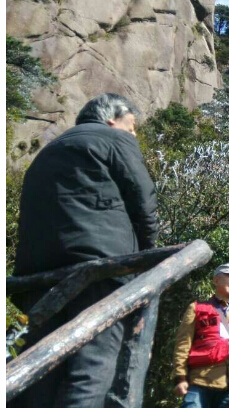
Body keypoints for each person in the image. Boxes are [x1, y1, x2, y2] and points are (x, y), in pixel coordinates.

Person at [11, 93, 158, 407]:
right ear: (112, 121)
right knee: (94, 365)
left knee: (41, 372)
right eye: (131, 127)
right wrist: (147, 255)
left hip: (37, 274)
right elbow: (143, 198)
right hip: (100, 267)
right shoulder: (114, 139)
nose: (133, 135)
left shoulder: (48, 151)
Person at [173, 264, 229, 408]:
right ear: (216, 280)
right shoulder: (197, 308)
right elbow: (183, 344)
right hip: (198, 383)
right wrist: (180, 377)